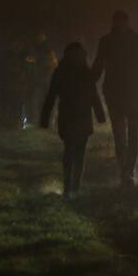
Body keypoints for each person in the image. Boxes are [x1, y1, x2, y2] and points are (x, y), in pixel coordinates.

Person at [91, 11, 138, 187]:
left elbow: (97, 67)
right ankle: (127, 171)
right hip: (127, 92)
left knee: (124, 133)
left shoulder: (107, 41)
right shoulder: (136, 39)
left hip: (120, 92)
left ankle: (126, 170)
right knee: (126, 133)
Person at [40, 42, 106, 199]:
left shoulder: (67, 71)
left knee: (75, 150)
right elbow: (93, 94)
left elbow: (52, 95)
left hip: (74, 115)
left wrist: (45, 118)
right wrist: (99, 114)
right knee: (74, 150)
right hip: (73, 116)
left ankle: (72, 186)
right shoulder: (76, 72)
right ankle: (71, 186)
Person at [27, 32, 58, 127]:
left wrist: (36, 61)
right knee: (43, 100)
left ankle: (50, 121)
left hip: (47, 79)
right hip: (43, 79)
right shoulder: (41, 48)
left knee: (46, 100)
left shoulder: (46, 48)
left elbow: (52, 62)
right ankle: (47, 120)